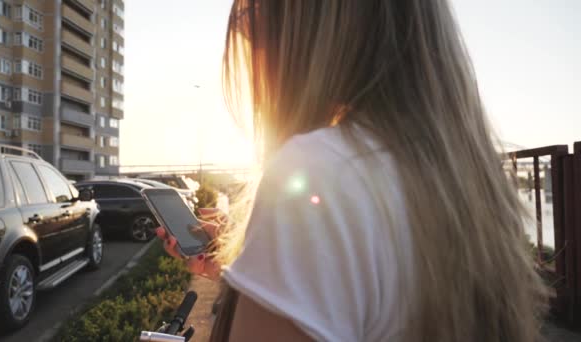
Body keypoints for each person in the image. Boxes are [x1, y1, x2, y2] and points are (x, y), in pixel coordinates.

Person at [157, 0, 548, 341]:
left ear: (314, 25)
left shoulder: (320, 171)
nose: (245, 35)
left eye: (251, 14)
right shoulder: (462, 181)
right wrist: (252, 271)